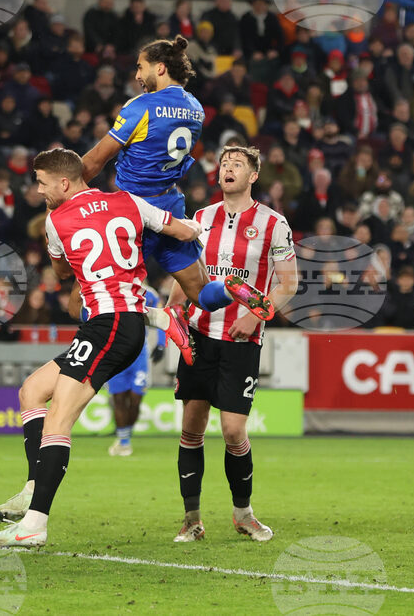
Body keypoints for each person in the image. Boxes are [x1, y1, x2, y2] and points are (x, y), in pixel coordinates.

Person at [0, 148, 202, 547]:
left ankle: (34, 525)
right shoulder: (128, 200)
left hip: (109, 324)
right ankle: (34, 488)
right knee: (32, 390)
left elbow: (65, 271)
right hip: (116, 323)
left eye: (43, 183)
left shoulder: (56, 220)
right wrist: (200, 227)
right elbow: (183, 233)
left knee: (59, 418)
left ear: (64, 183)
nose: (39, 190)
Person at [80, 36, 274, 362]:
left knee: (85, 303)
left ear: (159, 67)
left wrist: (68, 192)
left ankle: (159, 320)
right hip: (172, 206)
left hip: (132, 215)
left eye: (141, 68)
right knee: (202, 294)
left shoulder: (139, 106)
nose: (137, 76)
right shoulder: (195, 109)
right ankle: (229, 286)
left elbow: (94, 162)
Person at [167, 145, 298, 543]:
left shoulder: (274, 224)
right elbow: (185, 273)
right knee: (191, 427)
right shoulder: (201, 219)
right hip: (199, 334)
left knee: (232, 430)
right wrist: (172, 311)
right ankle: (191, 519)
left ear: (253, 176)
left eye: (237, 165)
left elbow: (288, 284)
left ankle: (243, 513)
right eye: (224, 164)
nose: (228, 168)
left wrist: (254, 314)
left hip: (242, 339)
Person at [106, 285, 165, 457]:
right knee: (118, 399)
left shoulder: (150, 293)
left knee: (135, 400)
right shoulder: (112, 288)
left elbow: (161, 315)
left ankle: (125, 434)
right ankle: (124, 442)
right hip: (116, 355)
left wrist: (161, 344)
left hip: (139, 356)